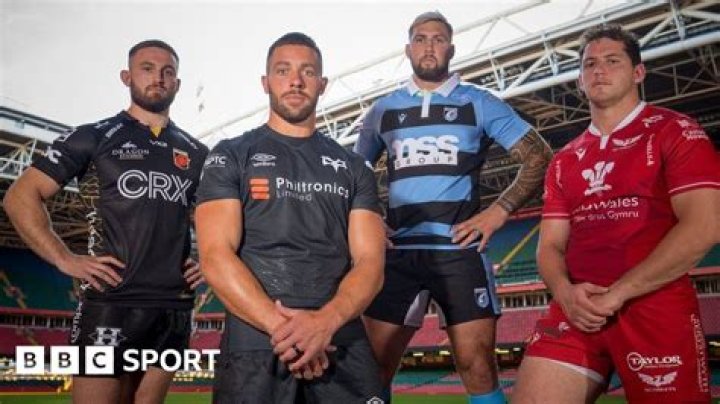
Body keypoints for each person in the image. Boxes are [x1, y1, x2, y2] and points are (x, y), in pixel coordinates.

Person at [512, 24, 719, 403]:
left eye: (612, 61)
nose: (599, 71)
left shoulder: (675, 131)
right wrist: (565, 294)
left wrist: (619, 294)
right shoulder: (564, 159)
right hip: (576, 309)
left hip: (653, 305)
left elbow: (705, 226)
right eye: (589, 64)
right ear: (579, 80)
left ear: (638, 72)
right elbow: (549, 246)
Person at [354, 11, 553, 404]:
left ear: (452, 49)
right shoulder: (382, 110)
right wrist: (371, 216)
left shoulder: (479, 102)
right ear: (408, 49)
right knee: (371, 370)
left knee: (478, 366)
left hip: (459, 251)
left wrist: (499, 211)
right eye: (421, 38)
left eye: (438, 39)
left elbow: (539, 156)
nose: (429, 46)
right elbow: (354, 173)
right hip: (397, 254)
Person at [3, 40, 208, 404]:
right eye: (147, 68)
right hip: (109, 301)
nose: (158, 78)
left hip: (174, 306)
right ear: (126, 77)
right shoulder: (93, 136)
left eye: (168, 72)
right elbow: (20, 196)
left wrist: (208, 259)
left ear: (177, 83)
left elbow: (221, 215)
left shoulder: (196, 152)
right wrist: (64, 258)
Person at [194, 32, 386, 403]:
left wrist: (324, 323)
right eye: (283, 71)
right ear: (265, 82)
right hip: (256, 342)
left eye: (307, 72)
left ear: (322, 84)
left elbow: (371, 262)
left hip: (340, 338)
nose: (295, 81)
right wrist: (285, 330)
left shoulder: (353, 166)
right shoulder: (230, 155)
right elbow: (215, 255)